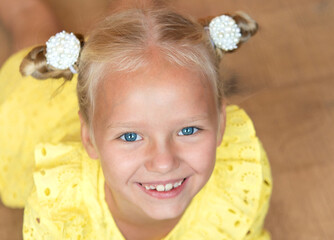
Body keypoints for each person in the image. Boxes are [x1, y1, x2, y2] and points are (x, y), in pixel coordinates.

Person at [0, 3, 272, 240]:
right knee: (33, 24)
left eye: (188, 130)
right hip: (40, 113)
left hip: (113, 100)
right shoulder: (59, 210)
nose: (164, 163)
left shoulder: (239, 178)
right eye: (130, 136)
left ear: (221, 122)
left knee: (137, 22)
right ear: (89, 138)